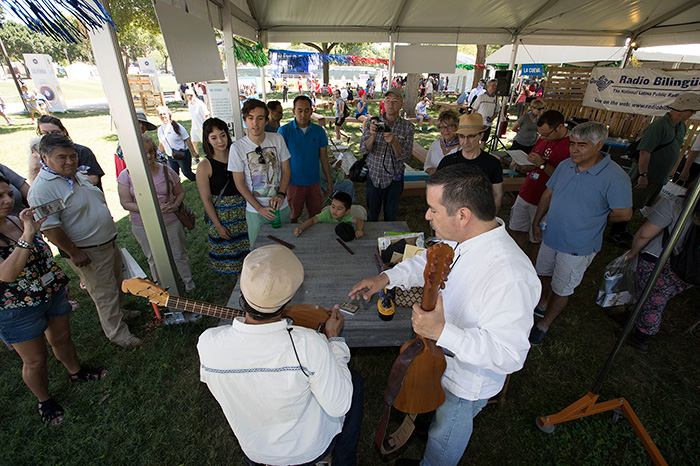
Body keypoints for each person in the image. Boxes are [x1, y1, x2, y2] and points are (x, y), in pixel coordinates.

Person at [350, 165, 540, 466]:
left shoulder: (510, 275)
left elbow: (509, 355)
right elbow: (429, 261)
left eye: (433, 210)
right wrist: (386, 279)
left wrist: (441, 332)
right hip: (440, 363)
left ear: (462, 215)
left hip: (466, 383)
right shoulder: (462, 237)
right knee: (435, 412)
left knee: (446, 434)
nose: (426, 216)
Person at [198, 245, 363, 466]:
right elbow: (339, 405)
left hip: (256, 450)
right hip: (307, 450)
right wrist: (333, 340)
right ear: (289, 297)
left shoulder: (208, 344)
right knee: (355, 383)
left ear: (243, 289)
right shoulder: (310, 344)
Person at [0, 179, 107, 426]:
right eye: (0, 197)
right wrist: (28, 235)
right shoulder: (21, 227)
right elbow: (7, 274)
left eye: (8, 193)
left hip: (50, 292)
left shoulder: (17, 220)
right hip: (17, 309)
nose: (8, 200)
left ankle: (76, 372)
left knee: (62, 338)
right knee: (35, 360)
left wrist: (57, 280)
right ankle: (44, 400)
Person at [28, 134, 141, 347]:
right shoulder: (43, 189)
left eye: (73, 156)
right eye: (62, 157)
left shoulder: (72, 175)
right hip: (88, 251)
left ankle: (121, 312)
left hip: (107, 243)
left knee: (116, 283)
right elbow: (51, 228)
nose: (70, 161)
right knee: (104, 293)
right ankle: (118, 334)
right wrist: (75, 252)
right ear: (44, 157)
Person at [529, 122, 633, 346]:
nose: (574, 149)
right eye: (572, 144)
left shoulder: (615, 176)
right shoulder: (566, 165)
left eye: (582, 145)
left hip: (578, 245)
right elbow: (548, 193)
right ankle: (543, 301)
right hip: (551, 236)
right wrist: (537, 220)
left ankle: (544, 324)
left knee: (563, 288)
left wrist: (597, 217)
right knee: (544, 274)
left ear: (599, 145)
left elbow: (624, 214)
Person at [608, 92, 700, 247]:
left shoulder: (681, 126)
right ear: (683, 109)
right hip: (646, 174)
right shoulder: (659, 126)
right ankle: (614, 233)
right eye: (692, 110)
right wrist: (643, 174)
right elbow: (645, 151)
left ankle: (621, 229)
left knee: (639, 203)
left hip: (658, 175)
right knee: (631, 202)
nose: (694, 113)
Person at [614, 190, 698, 354]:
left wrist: (632, 252)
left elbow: (645, 234)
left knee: (653, 302)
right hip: (691, 271)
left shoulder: (676, 205)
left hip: (660, 262)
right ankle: (631, 316)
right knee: (654, 296)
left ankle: (643, 336)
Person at [118, 135, 196, 292]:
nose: (149, 156)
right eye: (144, 152)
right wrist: (150, 208)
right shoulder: (126, 176)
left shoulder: (166, 171)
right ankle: (161, 286)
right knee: (153, 257)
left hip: (171, 220)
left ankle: (188, 282)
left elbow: (180, 192)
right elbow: (126, 203)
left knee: (179, 253)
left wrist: (175, 204)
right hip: (143, 224)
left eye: (151, 151)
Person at [508, 109, 570, 264]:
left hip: (544, 201)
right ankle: (514, 264)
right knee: (517, 231)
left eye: (547, 134)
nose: (543, 138)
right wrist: (525, 165)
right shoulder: (543, 139)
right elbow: (534, 160)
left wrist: (542, 165)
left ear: (560, 127)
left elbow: (565, 179)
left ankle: (532, 268)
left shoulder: (572, 146)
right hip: (526, 193)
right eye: (540, 134)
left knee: (537, 239)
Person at [229, 99, 291, 246]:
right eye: (250, 118)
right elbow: (239, 184)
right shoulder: (237, 148)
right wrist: (259, 208)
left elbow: (286, 169)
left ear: (266, 120)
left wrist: (281, 194)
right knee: (259, 252)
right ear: (245, 120)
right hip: (255, 211)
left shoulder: (277, 139)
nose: (255, 123)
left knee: (285, 249)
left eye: (260, 118)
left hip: (281, 207)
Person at [196, 118, 250, 275]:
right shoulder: (204, 166)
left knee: (251, 257)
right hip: (224, 217)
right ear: (207, 140)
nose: (220, 141)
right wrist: (218, 226)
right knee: (233, 260)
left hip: (244, 212)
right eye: (214, 137)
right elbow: (206, 199)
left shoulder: (238, 154)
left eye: (223, 135)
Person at [359, 88, 415, 222]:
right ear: (384, 103)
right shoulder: (373, 122)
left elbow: (405, 156)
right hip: (373, 176)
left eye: (395, 101)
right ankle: (372, 242)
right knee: (372, 215)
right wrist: (372, 137)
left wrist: (394, 141)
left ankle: (388, 242)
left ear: (401, 105)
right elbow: (363, 149)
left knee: (391, 217)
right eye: (388, 101)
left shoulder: (407, 127)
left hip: (394, 179)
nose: (390, 104)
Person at [278, 96, 332, 224]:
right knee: (292, 215)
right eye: (299, 110)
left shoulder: (319, 131)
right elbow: (279, 160)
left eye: (307, 110)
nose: (303, 114)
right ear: (293, 111)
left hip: (314, 181)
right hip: (292, 182)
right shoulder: (284, 131)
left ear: (311, 111)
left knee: (316, 215)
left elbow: (324, 158)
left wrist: (330, 181)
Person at [436, 113, 504, 212]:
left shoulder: (493, 163)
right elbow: (437, 191)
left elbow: (497, 194)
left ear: (481, 136)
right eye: (462, 136)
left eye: (471, 136)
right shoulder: (448, 162)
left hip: (480, 216)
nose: (465, 141)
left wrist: (490, 219)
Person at [37, 115, 105, 188]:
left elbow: (94, 179)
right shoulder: (40, 154)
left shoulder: (83, 151)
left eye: (55, 132)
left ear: (64, 132)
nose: (51, 136)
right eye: (45, 133)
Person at [114, 111, 165, 178]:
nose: (141, 125)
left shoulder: (147, 140)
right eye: (138, 122)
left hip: (162, 174)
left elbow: (160, 157)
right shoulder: (125, 142)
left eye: (144, 123)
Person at [294, 191, 364, 238]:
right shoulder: (327, 214)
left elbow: (359, 220)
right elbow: (312, 220)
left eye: (339, 209)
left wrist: (359, 229)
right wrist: (301, 228)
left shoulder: (346, 217)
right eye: (333, 206)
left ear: (347, 211)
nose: (334, 210)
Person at [156, 105, 198, 181]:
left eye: (164, 114)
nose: (163, 116)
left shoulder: (177, 126)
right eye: (160, 114)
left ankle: (200, 179)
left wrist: (194, 153)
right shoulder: (160, 130)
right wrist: (159, 156)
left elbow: (187, 139)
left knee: (187, 173)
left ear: (168, 114)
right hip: (171, 157)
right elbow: (161, 144)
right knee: (174, 175)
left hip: (182, 154)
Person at [423, 109, 461, 175]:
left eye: (449, 126)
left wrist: (436, 171)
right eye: (442, 127)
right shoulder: (435, 144)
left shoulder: (462, 148)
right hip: (434, 184)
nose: (445, 130)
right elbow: (427, 167)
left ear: (456, 127)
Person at [471, 79, 499, 146]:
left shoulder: (496, 99)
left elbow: (497, 111)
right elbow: (473, 110)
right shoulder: (481, 97)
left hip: (488, 124)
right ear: (488, 86)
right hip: (479, 123)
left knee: (484, 141)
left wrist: (492, 118)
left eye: (495, 85)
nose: (494, 87)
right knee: (475, 140)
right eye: (493, 85)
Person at [187, 88, 210, 156]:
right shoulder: (189, 104)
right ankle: (196, 156)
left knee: (205, 143)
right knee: (194, 142)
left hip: (201, 127)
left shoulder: (200, 104)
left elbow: (206, 115)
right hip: (194, 127)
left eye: (191, 95)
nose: (189, 97)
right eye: (187, 96)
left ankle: (209, 155)